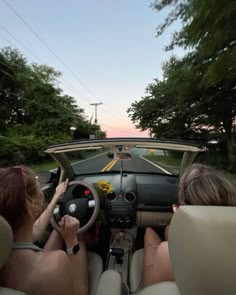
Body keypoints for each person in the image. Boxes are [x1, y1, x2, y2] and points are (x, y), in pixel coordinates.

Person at [142, 163, 236, 288]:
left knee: (149, 233)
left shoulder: (168, 254)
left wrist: (152, 245)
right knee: (169, 229)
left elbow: (148, 286)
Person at [0, 166, 88, 295]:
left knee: (57, 230)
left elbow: (35, 231)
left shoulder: (5, 243)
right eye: (38, 187)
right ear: (34, 205)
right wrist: (72, 240)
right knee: (80, 237)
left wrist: (56, 196)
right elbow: (81, 293)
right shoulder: (57, 262)